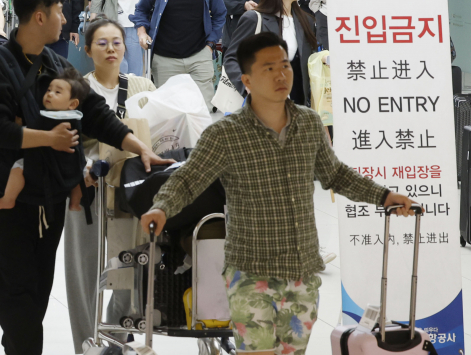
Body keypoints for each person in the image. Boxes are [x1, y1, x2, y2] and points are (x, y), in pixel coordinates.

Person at [140, 32, 413, 355]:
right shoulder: (226, 135)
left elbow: (335, 175)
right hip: (251, 273)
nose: (281, 74)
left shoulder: (309, 124)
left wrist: (383, 196)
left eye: (284, 65)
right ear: (247, 80)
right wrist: (162, 207)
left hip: (302, 273)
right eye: (269, 68)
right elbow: (187, 180)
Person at [0, 0, 169, 355]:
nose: (64, 18)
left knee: (37, 293)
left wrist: (136, 144)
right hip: (9, 200)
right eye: (59, 12)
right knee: (16, 297)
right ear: (40, 16)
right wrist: (47, 139)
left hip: (49, 197)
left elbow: (94, 114)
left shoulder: (57, 64)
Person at [63, 18, 157, 351]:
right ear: (87, 50)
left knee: (129, 269)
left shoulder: (142, 87)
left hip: (131, 191)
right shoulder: (76, 91)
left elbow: (159, 131)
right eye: (102, 43)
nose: (111, 49)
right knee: (83, 272)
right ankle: (86, 344)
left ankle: (115, 340)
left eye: (117, 42)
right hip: (87, 190)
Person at [0, 68, 90, 210]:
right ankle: (75, 201)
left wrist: (18, 126)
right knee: (82, 172)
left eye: (57, 92)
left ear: (72, 104)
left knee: (18, 167)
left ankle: (8, 198)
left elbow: (32, 132)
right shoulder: (76, 117)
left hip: (45, 166)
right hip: (71, 166)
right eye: (49, 90)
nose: (49, 94)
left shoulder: (48, 117)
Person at [224, 0, 317, 106]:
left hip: (298, 108)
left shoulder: (306, 21)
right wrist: (249, 87)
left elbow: (310, 63)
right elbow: (232, 58)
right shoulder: (254, 19)